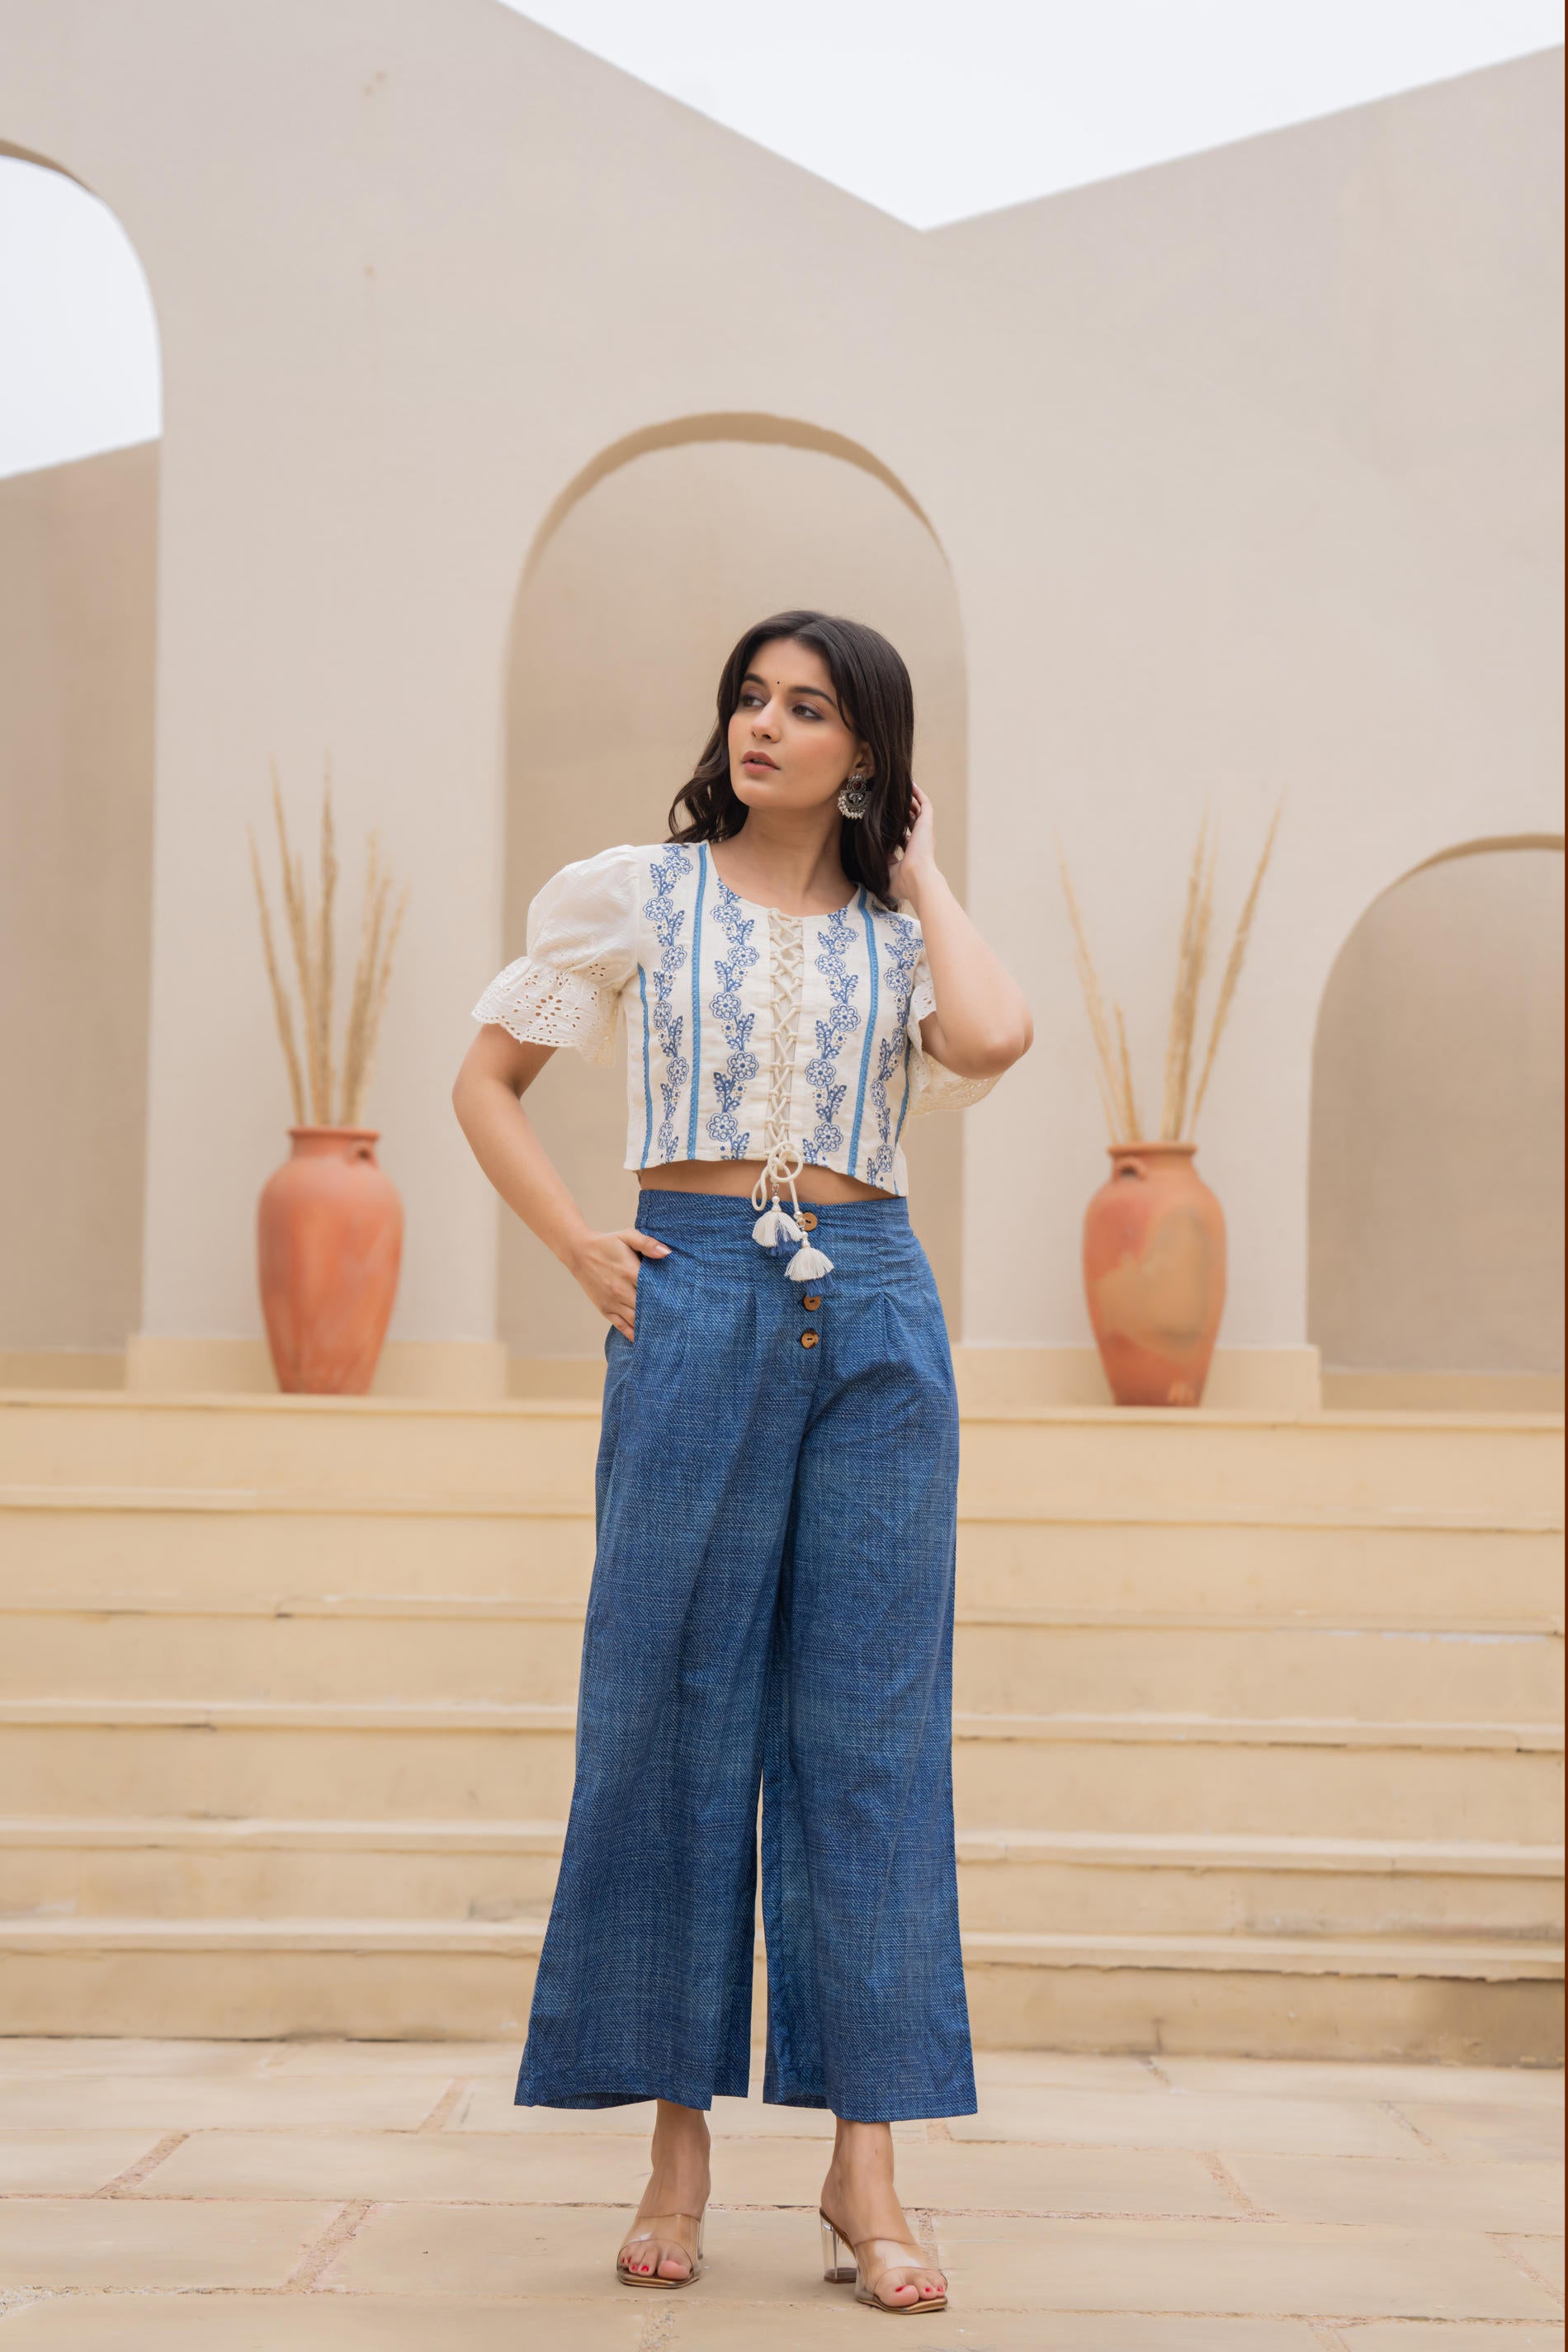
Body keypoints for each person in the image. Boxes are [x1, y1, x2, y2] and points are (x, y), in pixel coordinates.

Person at [453, 608, 1032, 2314]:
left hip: (872, 1314)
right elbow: (486, 1079)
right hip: (690, 1292)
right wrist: (575, 1245)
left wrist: (917, 867)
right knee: (669, 1705)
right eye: (750, 698)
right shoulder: (632, 889)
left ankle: (867, 2166)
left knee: (863, 1733)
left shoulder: (897, 934)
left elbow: (991, 1041)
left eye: (809, 710)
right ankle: (676, 2143)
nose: (764, 727)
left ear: (867, 755)